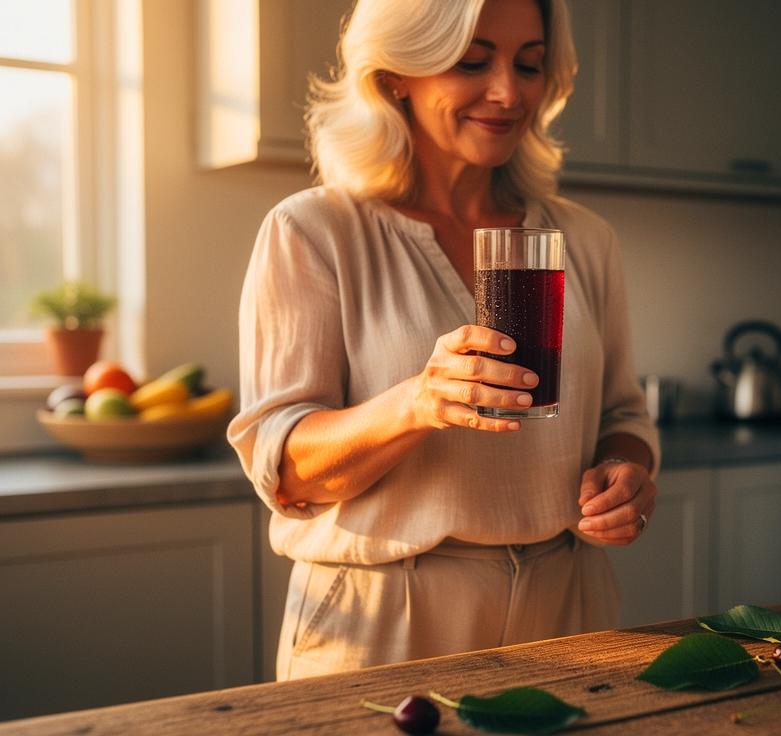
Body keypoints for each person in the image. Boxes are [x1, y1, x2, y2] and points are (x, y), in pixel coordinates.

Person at [227, 0, 659, 680]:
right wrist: (416, 404)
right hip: (386, 616)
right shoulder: (315, 231)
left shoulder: (583, 238)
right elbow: (286, 468)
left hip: (568, 603)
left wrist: (627, 470)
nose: (508, 92)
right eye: (472, 61)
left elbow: (624, 415)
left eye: (529, 65)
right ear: (396, 73)